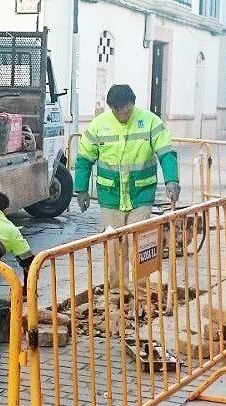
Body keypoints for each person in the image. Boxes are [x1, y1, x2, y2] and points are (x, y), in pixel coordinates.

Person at [75, 84, 180, 290]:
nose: (123, 114)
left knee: (140, 243)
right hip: (110, 196)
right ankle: (116, 290)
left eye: (127, 110)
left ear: (133, 104)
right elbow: (84, 159)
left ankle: (140, 288)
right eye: (118, 110)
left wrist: (171, 180)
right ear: (111, 107)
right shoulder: (98, 125)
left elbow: (166, 153)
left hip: (140, 194)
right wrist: (81, 190)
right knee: (113, 245)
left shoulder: (150, 122)